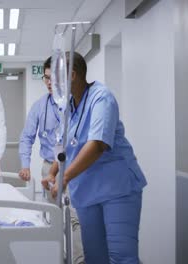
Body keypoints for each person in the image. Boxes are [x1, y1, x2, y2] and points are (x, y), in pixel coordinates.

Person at [42, 51, 147, 264]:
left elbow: (97, 145)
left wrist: (65, 178)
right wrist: (53, 172)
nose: (51, 83)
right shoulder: (69, 107)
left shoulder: (102, 97)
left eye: (55, 77)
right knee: (95, 258)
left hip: (116, 189)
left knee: (121, 257)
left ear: (71, 75)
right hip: (87, 192)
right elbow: (66, 147)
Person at [18, 57, 84, 264]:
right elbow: (27, 137)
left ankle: (78, 259)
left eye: (52, 78)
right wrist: (25, 164)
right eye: (45, 78)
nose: (49, 82)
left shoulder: (77, 103)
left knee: (74, 217)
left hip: (74, 167)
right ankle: (56, 257)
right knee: (53, 217)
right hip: (50, 168)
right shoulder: (39, 107)